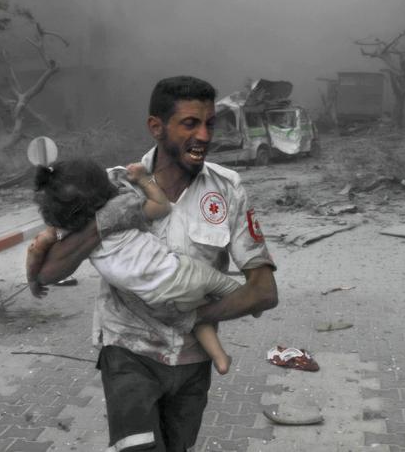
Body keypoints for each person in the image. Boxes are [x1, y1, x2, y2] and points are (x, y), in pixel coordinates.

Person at [30, 76, 278, 452]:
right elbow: (49, 271)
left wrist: (197, 318)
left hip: (193, 363)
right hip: (128, 355)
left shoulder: (228, 190)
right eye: (190, 124)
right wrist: (105, 222)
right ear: (156, 127)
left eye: (210, 123)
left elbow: (263, 291)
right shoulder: (107, 187)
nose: (205, 135)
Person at [27, 157, 243, 374]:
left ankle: (220, 358)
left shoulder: (63, 229)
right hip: (174, 277)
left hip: (151, 298)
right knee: (222, 287)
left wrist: (32, 280)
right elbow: (162, 206)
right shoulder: (121, 202)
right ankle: (246, 300)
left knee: (193, 317)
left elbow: (36, 251)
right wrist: (143, 179)